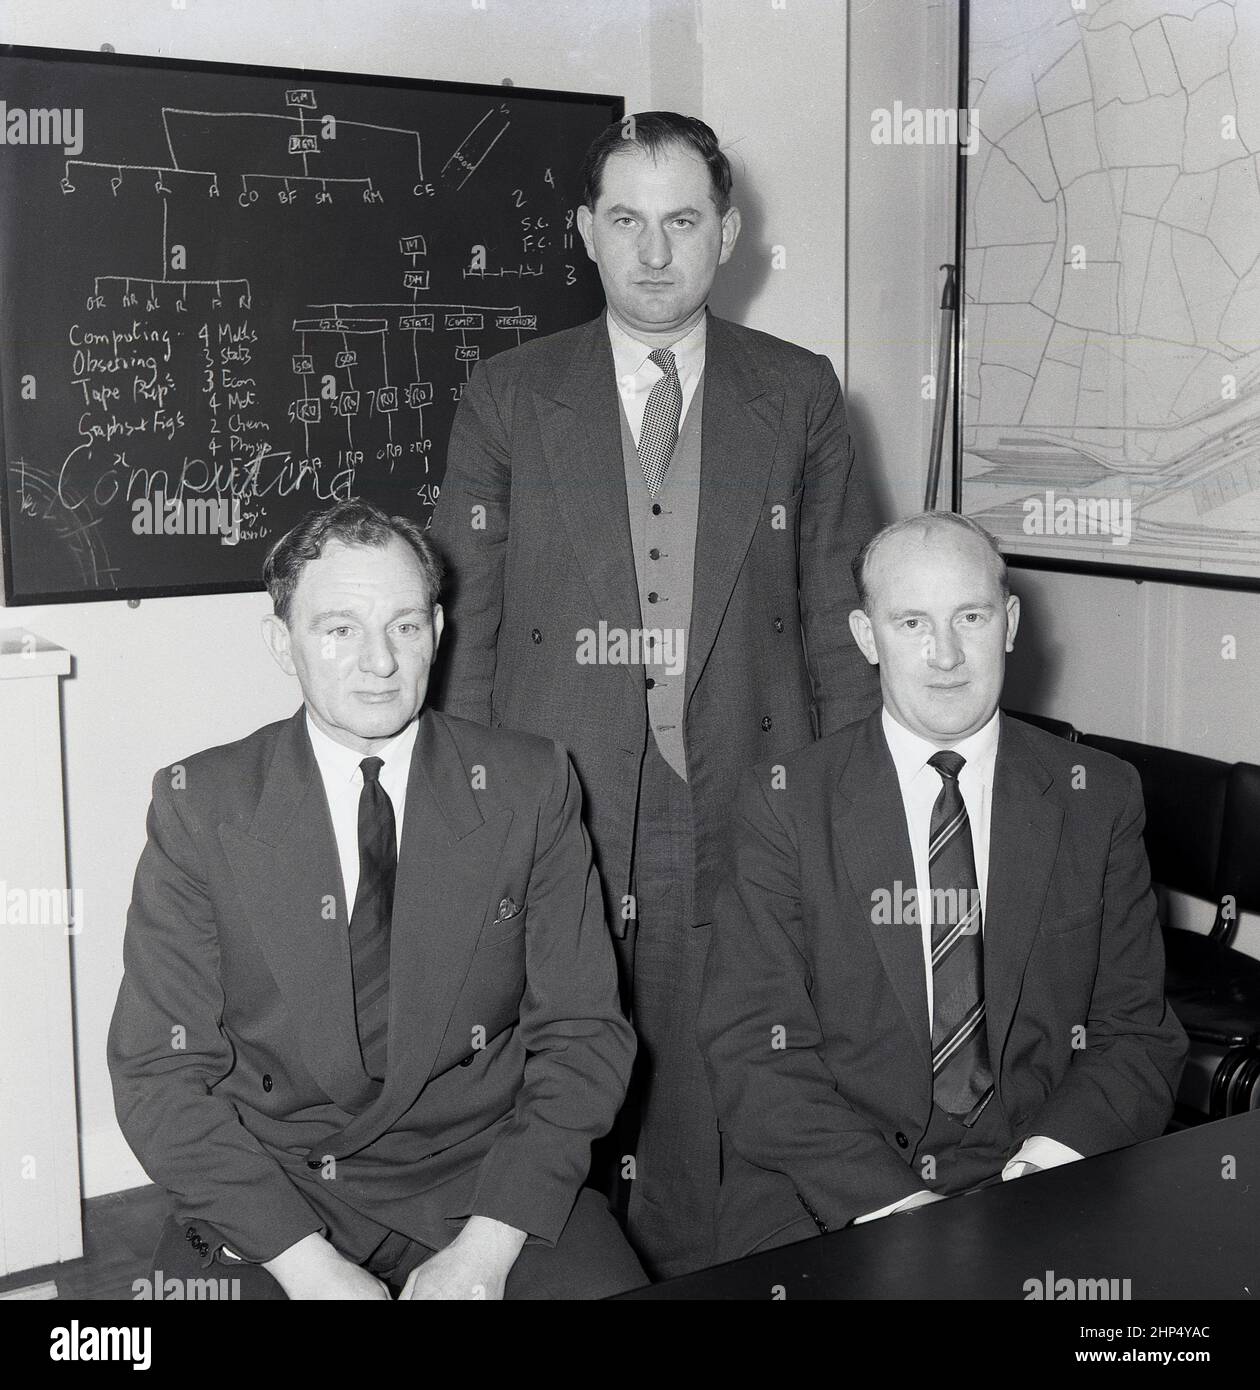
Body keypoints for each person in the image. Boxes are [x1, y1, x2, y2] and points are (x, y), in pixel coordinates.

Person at [428, 111, 878, 1278]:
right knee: (558, 1069)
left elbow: (837, 615)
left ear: (727, 233)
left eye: (683, 220)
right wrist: (472, 805)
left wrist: (847, 805)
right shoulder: (509, 395)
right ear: (585, 231)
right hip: (557, 789)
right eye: (626, 219)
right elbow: (462, 621)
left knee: (722, 1077)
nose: (655, 250)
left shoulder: (802, 393)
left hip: (744, 785)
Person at [108, 501, 643, 1300]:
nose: (379, 663)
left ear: (437, 629)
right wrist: (308, 1267)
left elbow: (585, 1035)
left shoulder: (530, 786)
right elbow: (158, 1073)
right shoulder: (200, 806)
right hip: (275, 1185)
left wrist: (490, 1247)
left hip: (483, 1176)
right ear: (281, 642)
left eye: (403, 627)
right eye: (339, 630)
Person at [698, 510, 1187, 1259]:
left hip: (1041, 1171)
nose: (947, 654)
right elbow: (754, 1054)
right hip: (835, 1192)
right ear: (867, 638)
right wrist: (905, 1210)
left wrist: (1039, 1170)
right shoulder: (786, 802)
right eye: (911, 623)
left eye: (970, 616)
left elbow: (1136, 1035)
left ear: (1011, 623)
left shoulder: (1098, 796)